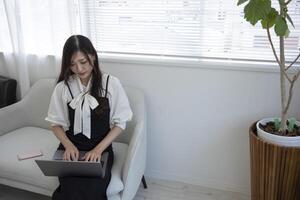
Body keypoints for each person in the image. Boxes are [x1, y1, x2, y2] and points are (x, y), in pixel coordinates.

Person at [45, 35, 133, 200]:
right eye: (72, 64)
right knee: (69, 190)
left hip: (100, 148)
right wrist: (68, 146)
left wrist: (98, 149)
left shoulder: (110, 84)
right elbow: (55, 124)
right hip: (71, 149)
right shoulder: (63, 88)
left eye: (83, 61)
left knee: (92, 190)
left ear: (93, 56)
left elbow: (120, 123)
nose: (79, 69)